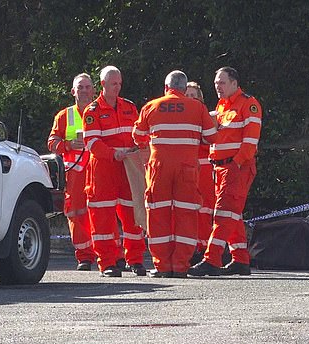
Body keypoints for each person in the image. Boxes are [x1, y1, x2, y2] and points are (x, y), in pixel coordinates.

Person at [133, 71, 218, 278]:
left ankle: (162, 266)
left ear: (166, 87)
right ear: (183, 88)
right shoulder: (198, 107)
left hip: (158, 169)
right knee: (186, 215)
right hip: (187, 169)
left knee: (158, 214)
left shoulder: (151, 106)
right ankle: (181, 266)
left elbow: (138, 137)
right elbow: (210, 137)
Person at [188, 66, 262, 276]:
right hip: (220, 168)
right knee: (233, 214)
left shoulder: (249, 104)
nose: (217, 87)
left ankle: (211, 259)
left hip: (235, 168)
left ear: (234, 84)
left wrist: (235, 164)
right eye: (216, 83)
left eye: (221, 82)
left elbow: (250, 143)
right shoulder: (221, 106)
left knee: (222, 214)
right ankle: (240, 259)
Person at [82, 65, 147, 277]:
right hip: (103, 169)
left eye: (119, 83)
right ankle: (107, 263)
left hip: (127, 168)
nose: (117, 87)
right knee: (102, 217)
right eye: (113, 84)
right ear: (102, 85)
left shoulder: (129, 107)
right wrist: (113, 154)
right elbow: (92, 142)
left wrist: (140, 148)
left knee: (132, 214)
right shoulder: (92, 111)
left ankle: (135, 260)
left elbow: (139, 134)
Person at [47, 73, 97, 271]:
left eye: (87, 87)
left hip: (99, 170)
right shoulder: (64, 116)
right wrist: (68, 145)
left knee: (103, 212)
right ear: (73, 91)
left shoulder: (103, 111)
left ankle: (109, 256)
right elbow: (52, 142)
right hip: (75, 173)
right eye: (80, 87)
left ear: (94, 91)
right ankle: (84, 257)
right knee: (76, 214)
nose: (84, 91)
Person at [185, 81, 214, 263]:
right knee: (188, 210)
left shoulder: (206, 117)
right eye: (186, 96)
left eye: (193, 96)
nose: (189, 100)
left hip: (204, 168)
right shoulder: (177, 117)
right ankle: (192, 247)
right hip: (187, 168)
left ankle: (204, 248)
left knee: (204, 210)